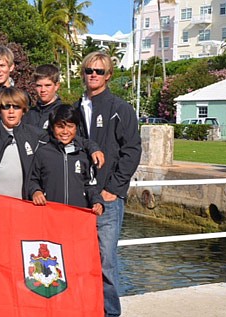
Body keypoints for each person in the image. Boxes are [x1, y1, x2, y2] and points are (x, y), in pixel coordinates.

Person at [74, 51, 142, 317]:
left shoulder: (120, 109)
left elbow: (132, 151)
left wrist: (112, 189)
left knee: (106, 264)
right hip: (80, 198)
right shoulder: (77, 108)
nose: (93, 74)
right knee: (80, 260)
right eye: (89, 70)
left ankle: (110, 313)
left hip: (108, 199)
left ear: (108, 75)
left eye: (99, 71)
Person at [28, 104, 103, 215]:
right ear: (52, 127)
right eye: (60, 126)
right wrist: (35, 191)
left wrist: (97, 202)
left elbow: (90, 185)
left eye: (70, 126)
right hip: (49, 214)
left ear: (76, 127)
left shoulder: (84, 154)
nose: (65, 131)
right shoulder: (42, 152)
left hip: (78, 215)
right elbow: (32, 179)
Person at [23, 64, 62, 130]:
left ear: (56, 86)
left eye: (47, 85)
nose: (43, 90)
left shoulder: (63, 113)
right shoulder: (29, 114)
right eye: (39, 86)